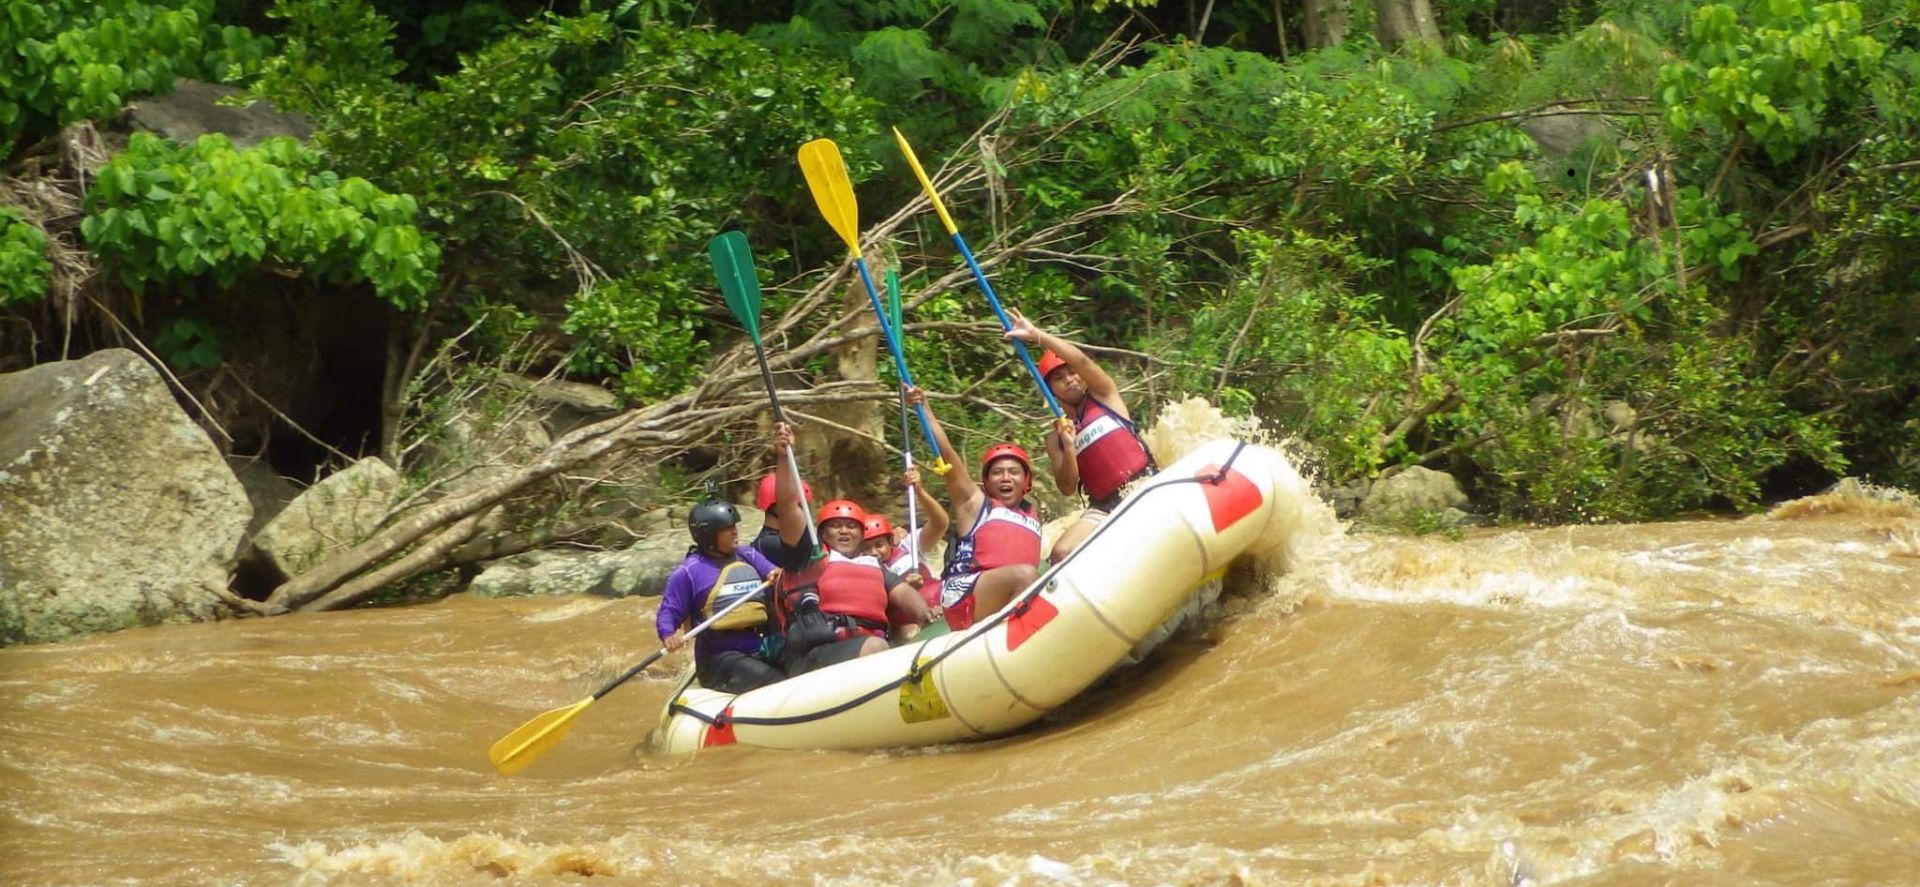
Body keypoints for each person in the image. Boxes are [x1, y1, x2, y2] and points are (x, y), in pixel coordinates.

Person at [1006, 308, 1156, 562]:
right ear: (1050, 390)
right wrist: (1069, 448)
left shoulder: (1104, 395)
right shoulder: (1055, 438)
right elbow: (1067, 487)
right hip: (1105, 505)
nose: (1070, 380)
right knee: (1061, 553)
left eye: (1071, 373)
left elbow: (1082, 362)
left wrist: (1036, 335)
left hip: (1144, 482)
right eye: (1059, 378)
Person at [904, 386, 1042, 631]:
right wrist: (923, 408)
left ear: (1026, 481)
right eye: (997, 473)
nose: (1006, 478)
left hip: (1009, 591)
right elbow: (948, 455)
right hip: (964, 593)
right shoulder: (974, 503)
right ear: (986, 482)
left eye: (1013, 472)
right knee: (1026, 575)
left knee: (1033, 575)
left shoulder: (1033, 515)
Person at [772, 499, 937, 675]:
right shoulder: (808, 560)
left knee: (909, 634)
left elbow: (903, 593)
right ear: (822, 533)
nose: (844, 530)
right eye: (835, 526)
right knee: (875, 646)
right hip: (815, 652)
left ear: (861, 534)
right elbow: (788, 510)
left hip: (867, 644)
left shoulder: (874, 565)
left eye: (852, 526)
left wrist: (924, 613)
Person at [655, 497, 785, 693]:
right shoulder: (689, 572)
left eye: (734, 525)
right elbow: (668, 611)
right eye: (727, 528)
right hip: (720, 658)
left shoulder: (746, 554)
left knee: (799, 659)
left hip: (759, 645)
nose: (735, 531)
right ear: (708, 535)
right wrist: (669, 635)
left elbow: (775, 573)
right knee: (774, 681)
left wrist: (776, 575)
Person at [861, 467, 949, 635]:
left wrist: (920, 492)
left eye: (879, 545)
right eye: (865, 548)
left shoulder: (908, 545)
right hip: (907, 624)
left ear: (890, 542)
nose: (873, 552)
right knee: (907, 632)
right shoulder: (862, 571)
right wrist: (905, 588)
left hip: (941, 600)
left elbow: (940, 523)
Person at [751, 423, 817, 571]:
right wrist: (784, 456)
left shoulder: (765, 542)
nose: (803, 514)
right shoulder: (772, 544)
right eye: (801, 507)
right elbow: (787, 504)